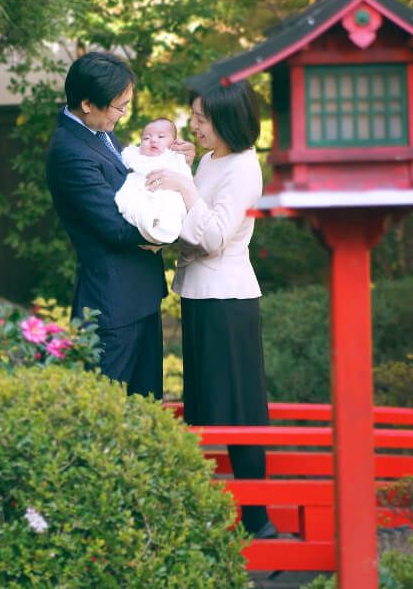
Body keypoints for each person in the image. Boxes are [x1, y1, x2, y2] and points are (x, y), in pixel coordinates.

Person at [146, 79, 276, 539]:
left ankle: (259, 521)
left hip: (228, 298)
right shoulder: (208, 159)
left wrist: (186, 188)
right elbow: (191, 226)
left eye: (201, 118)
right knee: (204, 408)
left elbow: (215, 235)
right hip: (201, 294)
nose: (194, 126)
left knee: (240, 410)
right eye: (195, 116)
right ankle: (214, 513)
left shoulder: (244, 168)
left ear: (227, 120)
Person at [45, 52, 193, 398]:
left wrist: (173, 160)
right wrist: (164, 232)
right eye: (118, 106)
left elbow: (136, 183)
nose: (123, 113)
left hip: (139, 292)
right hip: (111, 302)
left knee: (147, 403)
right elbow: (111, 225)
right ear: (86, 104)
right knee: (109, 406)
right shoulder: (69, 151)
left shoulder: (102, 132)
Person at [113, 118, 193, 245]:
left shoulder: (175, 159)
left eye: (161, 136)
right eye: (146, 138)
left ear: (174, 143)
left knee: (170, 205)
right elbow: (125, 162)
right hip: (140, 191)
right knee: (129, 199)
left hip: (166, 195)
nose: (153, 140)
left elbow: (186, 181)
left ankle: (162, 227)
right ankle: (145, 224)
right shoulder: (135, 156)